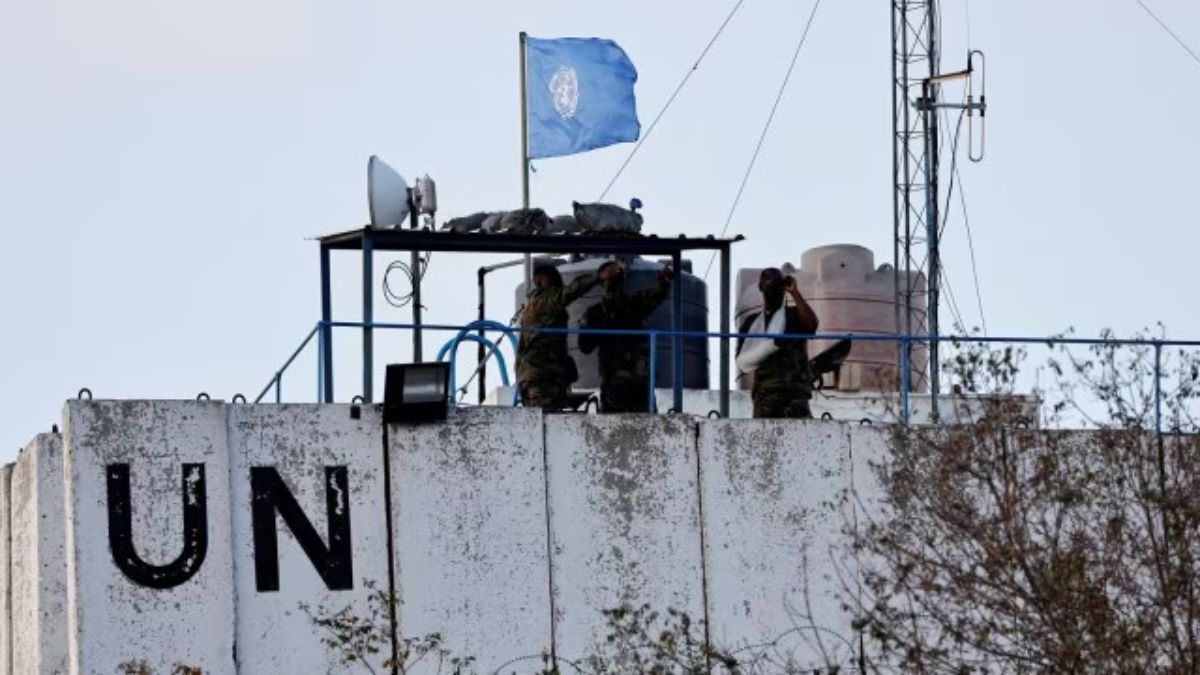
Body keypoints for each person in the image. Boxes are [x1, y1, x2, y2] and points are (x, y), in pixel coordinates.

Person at [579, 261, 672, 413]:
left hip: (631, 381)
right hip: (623, 381)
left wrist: (664, 280)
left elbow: (584, 346)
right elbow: (585, 345)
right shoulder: (601, 312)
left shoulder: (601, 311)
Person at [735, 268, 820, 419]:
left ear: (783, 287)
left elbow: (811, 325)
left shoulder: (794, 315)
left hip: (795, 393)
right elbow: (742, 362)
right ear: (760, 287)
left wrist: (794, 292)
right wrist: (771, 345)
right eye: (767, 281)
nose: (771, 286)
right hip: (766, 393)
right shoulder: (751, 323)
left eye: (776, 282)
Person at [516, 263, 599, 409]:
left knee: (538, 420)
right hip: (544, 375)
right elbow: (572, 290)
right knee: (546, 420)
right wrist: (598, 276)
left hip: (530, 376)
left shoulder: (530, 305)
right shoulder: (547, 299)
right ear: (542, 280)